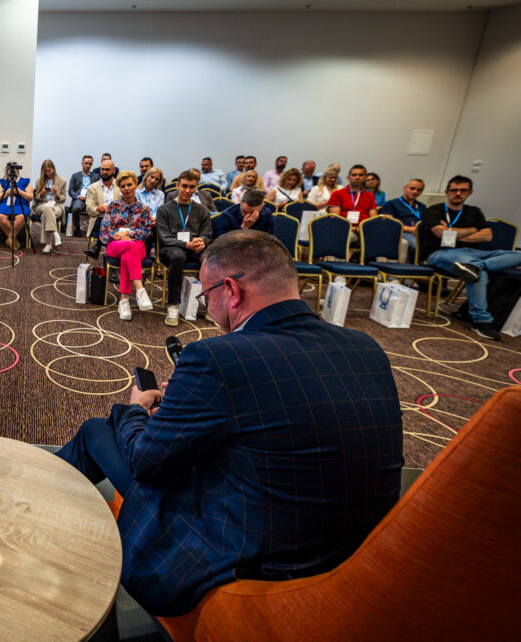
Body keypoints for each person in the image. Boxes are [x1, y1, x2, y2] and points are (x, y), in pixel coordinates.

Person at [55, 229, 403, 617]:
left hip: (256, 565)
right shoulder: (367, 348)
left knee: (98, 430)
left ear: (232, 291)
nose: (209, 309)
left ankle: (37, 505)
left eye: (207, 296)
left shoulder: (218, 357)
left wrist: (138, 408)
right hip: (356, 561)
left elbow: (145, 462)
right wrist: (191, 404)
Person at [419, 175, 521, 341]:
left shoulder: (474, 212)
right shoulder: (434, 210)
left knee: (517, 255)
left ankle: (478, 265)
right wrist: (473, 229)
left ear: (470, 192)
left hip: (473, 253)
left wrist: (453, 232)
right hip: (442, 252)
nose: (458, 193)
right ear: (447, 191)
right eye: (454, 190)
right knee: (478, 273)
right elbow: (441, 233)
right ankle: (481, 321)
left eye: (463, 190)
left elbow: (487, 236)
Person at [94, 171, 153, 320]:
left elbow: (146, 232)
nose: (126, 188)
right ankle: (140, 290)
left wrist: (129, 234)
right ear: (119, 188)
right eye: (123, 186)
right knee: (129, 247)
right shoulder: (112, 206)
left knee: (127, 256)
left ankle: (124, 301)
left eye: (129, 185)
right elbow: (104, 231)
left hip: (137, 246)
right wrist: (119, 236)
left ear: (136, 185)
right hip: (115, 245)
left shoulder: (144, 209)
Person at [158, 170, 212, 326]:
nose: (187, 190)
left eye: (192, 187)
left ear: (196, 188)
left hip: (194, 248)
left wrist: (202, 241)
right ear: (177, 186)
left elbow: (207, 234)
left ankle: (212, 305)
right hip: (171, 248)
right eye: (184, 186)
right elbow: (164, 237)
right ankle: (173, 305)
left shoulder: (202, 210)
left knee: (212, 258)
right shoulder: (164, 209)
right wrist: (186, 244)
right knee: (178, 256)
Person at [83, 159, 121, 258]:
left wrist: (111, 208)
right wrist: (98, 209)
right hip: (98, 219)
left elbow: (124, 206)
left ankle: (98, 247)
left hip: (118, 219)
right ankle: (108, 256)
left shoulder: (120, 186)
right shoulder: (92, 188)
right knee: (107, 222)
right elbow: (89, 210)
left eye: (107, 170)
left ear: (113, 171)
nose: (104, 172)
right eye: (102, 169)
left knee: (112, 221)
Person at [327, 164, 377, 236]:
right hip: (344, 229)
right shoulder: (337, 194)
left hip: (365, 230)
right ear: (348, 178)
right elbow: (335, 218)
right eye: (354, 175)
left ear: (365, 178)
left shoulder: (370, 196)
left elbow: (373, 219)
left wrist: (364, 229)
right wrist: (354, 229)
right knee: (348, 236)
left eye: (361, 175)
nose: (357, 177)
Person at [0, 162, 34, 246]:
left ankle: (10, 239)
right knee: (0, 217)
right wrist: (7, 193)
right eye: (9, 169)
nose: (11, 171)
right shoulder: (2, 182)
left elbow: (31, 197)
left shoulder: (25, 181)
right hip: (5, 205)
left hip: (20, 205)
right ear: (6, 171)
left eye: (14, 169)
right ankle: (13, 239)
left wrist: (19, 192)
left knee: (21, 217)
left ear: (17, 171)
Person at [380, 178, 425, 250]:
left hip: (420, 232)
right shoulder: (391, 203)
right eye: (412, 188)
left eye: (419, 190)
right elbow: (388, 223)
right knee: (420, 245)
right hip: (402, 232)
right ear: (404, 188)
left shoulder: (422, 206)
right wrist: (410, 229)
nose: (415, 191)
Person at [33, 159, 66, 253]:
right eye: (45, 171)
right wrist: (42, 193)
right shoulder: (39, 181)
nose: (47, 173)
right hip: (42, 204)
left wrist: (56, 194)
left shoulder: (62, 181)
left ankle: (48, 244)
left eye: (49, 171)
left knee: (45, 215)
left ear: (53, 169)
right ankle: (56, 235)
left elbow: (63, 199)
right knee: (46, 208)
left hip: (56, 205)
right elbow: (36, 199)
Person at [67, 155, 97, 237]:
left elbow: (98, 190)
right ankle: (77, 227)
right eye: (86, 163)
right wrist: (78, 196)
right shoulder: (75, 176)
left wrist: (90, 197)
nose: (88, 165)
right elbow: (70, 190)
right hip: (79, 198)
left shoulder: (96, 176)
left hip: (91, 199)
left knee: (98, 209)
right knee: (76, 208)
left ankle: (94, 230)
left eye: (90, 164)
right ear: (82, 163)